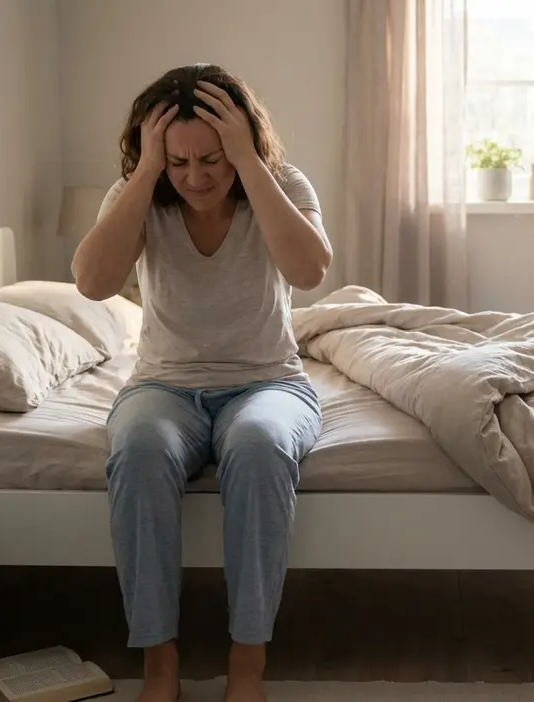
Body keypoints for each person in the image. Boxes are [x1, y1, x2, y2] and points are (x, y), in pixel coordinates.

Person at [71, 63, 332, 702]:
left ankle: (248, 660)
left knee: (259, 447)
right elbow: (93, 283)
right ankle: (160, 661)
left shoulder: (283, 185)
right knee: (137, 451)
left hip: (269, 383)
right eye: (178, 161)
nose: (196, 177)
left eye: (213, 158)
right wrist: (144, 175)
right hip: (163, 386)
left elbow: (309, 270)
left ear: (242, 140)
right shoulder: (137, 195)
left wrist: (249, 162)